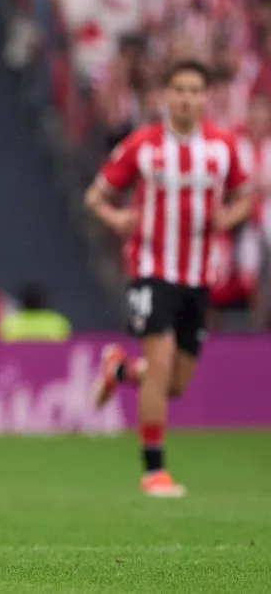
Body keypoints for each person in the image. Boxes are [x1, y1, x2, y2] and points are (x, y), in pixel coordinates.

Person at [85, 59, 252, 498]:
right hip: (151, 269)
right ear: (166, 95)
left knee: (175, 382)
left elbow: (245, 198)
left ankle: (118, 369)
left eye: (195, 90)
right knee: (159, 368)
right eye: (178, 89)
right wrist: (115, 218)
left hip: (198, 277)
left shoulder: (223, 147)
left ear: (206, 97)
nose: (186, 98)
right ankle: (153, 471)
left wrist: (228, 216)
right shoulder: (144, 145)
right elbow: (96, 195)